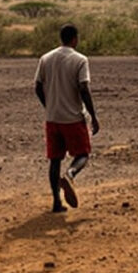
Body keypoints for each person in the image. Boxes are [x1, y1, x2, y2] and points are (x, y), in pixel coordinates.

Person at [33, 24, 98, 214]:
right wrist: (93, 116)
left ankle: (56, 203)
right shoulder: (80, 60)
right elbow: (84, 88)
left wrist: (48, 106)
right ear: (75, 39)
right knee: (83, 154)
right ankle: (70, 174)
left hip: (52, 118)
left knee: (55, 160)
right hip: (73, 118)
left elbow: (37, 86)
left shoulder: (46, 58)